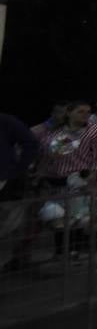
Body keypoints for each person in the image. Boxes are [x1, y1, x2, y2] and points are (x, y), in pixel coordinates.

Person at [26, 101, 97, 261]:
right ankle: (61, 251)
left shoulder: (95, 132)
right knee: (58, 218)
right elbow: (56, 156)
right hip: (57, 181)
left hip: (80, 181)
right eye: (80, 111)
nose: (85, 114)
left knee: (77, 219)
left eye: (88, 111)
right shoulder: (60, 133)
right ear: (69, 113)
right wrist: (41, 173)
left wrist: (92, 178)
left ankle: (72, 251)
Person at [0, 113, 40, 272]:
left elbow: (30, 143)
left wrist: (18, 170)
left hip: (5, 183)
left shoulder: (4, 121)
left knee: (5, 230)